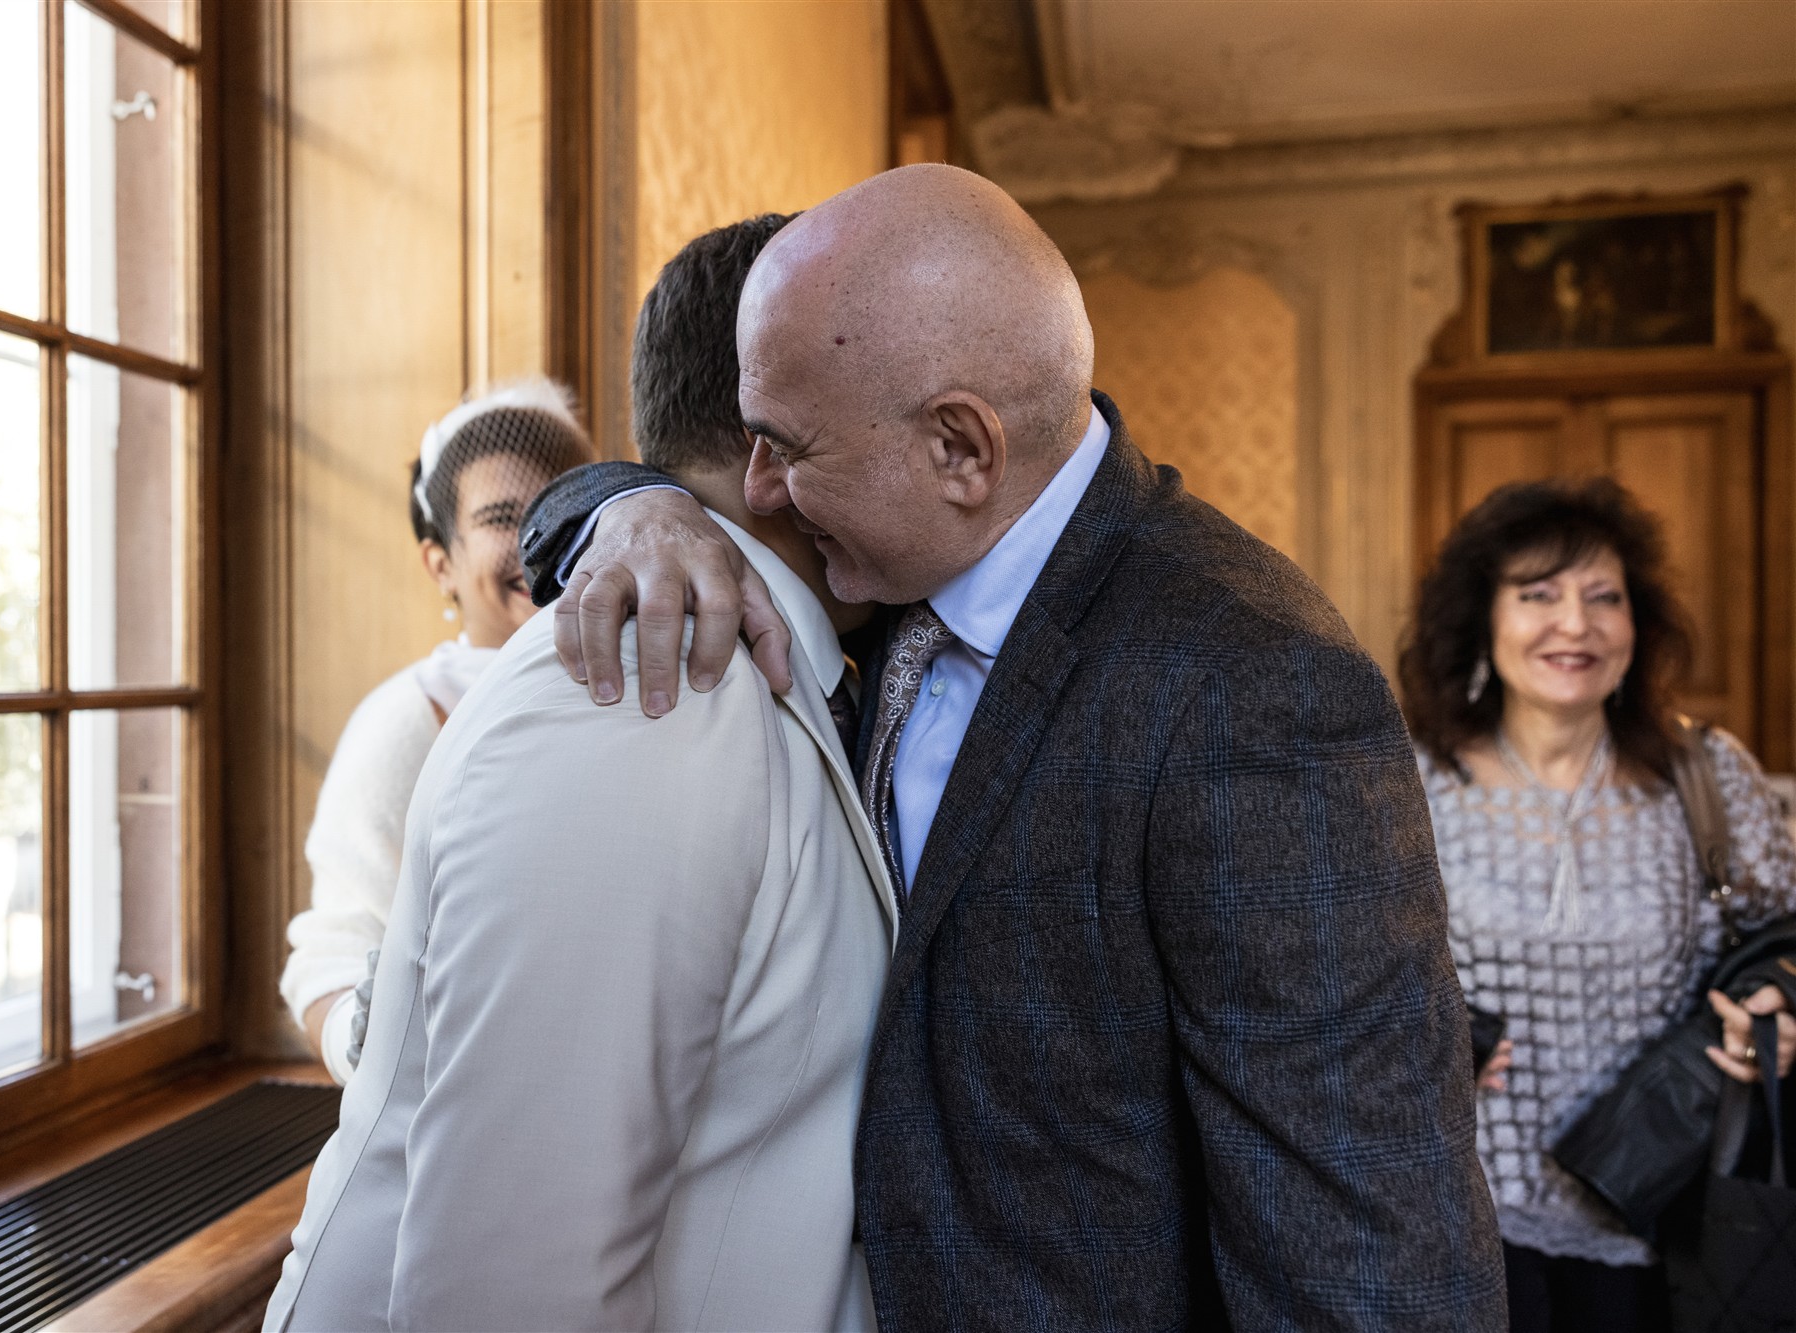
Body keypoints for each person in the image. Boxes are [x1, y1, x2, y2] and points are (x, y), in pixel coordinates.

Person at [519, 164, 1503, 1329]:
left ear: (960, 450)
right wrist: (629, 503)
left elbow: (1366, 1242)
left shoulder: (1250, 687)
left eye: (786, 448)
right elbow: (640, 499)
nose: (761, 490)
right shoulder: (888, 571)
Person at [263, 215, 895, 1331]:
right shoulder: (644, 687)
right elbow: (507, 1288)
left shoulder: (774, 661)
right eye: (898, 409)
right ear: (777, 442)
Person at [1398, 477, 1796, 1333]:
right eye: (1538, 594)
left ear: (1637, 625)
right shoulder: (1407, 777)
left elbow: (1780, 932)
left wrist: (1775, 998)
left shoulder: (1707, 773)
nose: (1574, 624)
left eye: (1602, 597)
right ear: (1483, 619)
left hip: (1663, 1218)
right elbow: (1333, 964)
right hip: (1457, 1219)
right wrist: (1429, 1025)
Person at [277, 379, 591, 1082]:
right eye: (502, 517)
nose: (537, 541)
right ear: (441, 563)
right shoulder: (406, 721)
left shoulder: (641, 680)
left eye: (558, 508)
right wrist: (369, 1049)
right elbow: (333, 948)